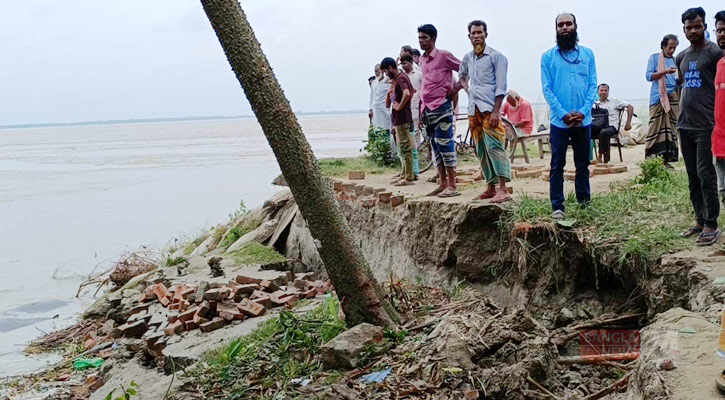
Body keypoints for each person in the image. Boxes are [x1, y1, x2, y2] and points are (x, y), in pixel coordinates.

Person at [541, 13, 598, 221]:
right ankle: (558, 206)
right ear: (556, 28)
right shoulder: (547, 57)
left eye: (568, 24)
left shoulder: (588, 55)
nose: (565, 27)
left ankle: (584, 203)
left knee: (583, 164)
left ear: (575, 26)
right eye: (560, 24)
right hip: (559, 122)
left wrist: (583, 111)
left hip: (584, 120)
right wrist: (564, 114)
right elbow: (547, 89)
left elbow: (593, 85)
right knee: (557, 165)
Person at [676, 7, 724, 246]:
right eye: (688, 27)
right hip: (684, 125)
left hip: (706, 125)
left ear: (705, 26)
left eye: (697, 26)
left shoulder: (715, 54)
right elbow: (683, 86)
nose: (693, 30)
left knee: (706, 174)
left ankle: (711, 223)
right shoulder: (681, 56)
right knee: (693, 176)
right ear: (683, 29)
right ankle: (699, 218)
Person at [459, 20, 512, 203]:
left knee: (496, 146)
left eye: (479, 33)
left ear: (486, 34)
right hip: (474, 109)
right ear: (469, 36)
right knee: (481, 149)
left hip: (490, 109)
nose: (476, 36)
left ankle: (503, 188)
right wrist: (468, 89)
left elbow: (501, 87)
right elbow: (461, 75)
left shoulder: (497, 57)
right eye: (473, 33)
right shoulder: (467, 58)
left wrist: (497, 111)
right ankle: (490, 187)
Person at [418, 23, 462, 198]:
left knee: (446, 145)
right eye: (419, 38)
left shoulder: (444, 56)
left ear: (433, 39)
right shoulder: (422, 60)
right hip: (427, 109)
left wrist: (455, 88)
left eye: (424, 38)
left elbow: (465, 68)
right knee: (435, 146)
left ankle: (452, 184)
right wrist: (422, 110)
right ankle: (442, 183)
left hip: (442, 107)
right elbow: (425, 84)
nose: (421, 41)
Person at [645, 34, 680, 166]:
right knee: (655, 128)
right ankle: (651, 161)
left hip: (673, 97)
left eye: (674, 48)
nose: (671, 51)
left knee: (671, 128)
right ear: (663, 46)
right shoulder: (654, 58)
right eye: (670, 47)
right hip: (658, 97)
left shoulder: (676, 60)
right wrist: (664, 72)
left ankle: (667, 160)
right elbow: (649, 76)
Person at [381, 57, 416, 186]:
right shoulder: (396, 80)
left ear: (390, 68)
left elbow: (407, 93)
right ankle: (404, 173)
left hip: (403, 117)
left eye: (385, 71)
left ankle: (409, 177)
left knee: (406, 147)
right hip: (397, 118)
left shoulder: (401, 78)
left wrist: (400, 107)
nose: (385, 75)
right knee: (402, 147)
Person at [592, 83, 633, 163]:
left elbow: (630, 106)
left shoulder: (615, 101)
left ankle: (600, 157)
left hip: (611, 127)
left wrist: (628, 123)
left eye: (605, 90)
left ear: (608, 91)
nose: (603, 92)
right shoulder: (594, 104)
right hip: (598, 126)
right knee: (584, 131)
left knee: (604, 132)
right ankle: (583, 158)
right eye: (601, 90)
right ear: (598, 92)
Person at [710, 12, 725, 206]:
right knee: (724, 191)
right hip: (720, 140)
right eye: (719, 30)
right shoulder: (720, 64)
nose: (722, 34)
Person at [401, 54, 423, 176]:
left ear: (411, 62)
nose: (403, 66)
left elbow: (423, 93)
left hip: (416, 110)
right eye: (401, 64)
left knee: (415, 140)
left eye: (405, 63)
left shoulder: (419, 75)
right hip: (405, 112)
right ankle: (409, 170)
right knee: (406, 141)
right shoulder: (401, 77)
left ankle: (415, 170)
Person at [369, 64, 391, 131]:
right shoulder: (374, 83)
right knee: (377, 127)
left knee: (386, 126)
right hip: (375, 108)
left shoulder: (387, 82)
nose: (376, 73)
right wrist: (370, 109)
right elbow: (372, 96)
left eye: (378, 71)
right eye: (375, 71)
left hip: (384, 108)